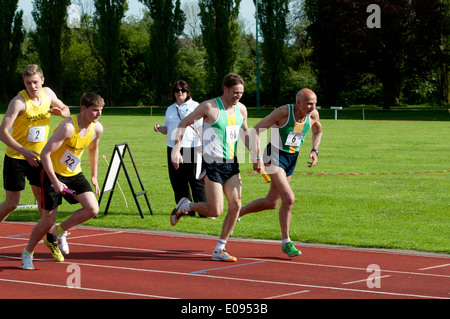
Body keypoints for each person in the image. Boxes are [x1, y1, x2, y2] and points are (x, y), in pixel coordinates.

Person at [170, 73, 249, 262]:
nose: (238, 96)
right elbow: (183, 123)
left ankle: (220, 248)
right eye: (235, 92)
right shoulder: (209, 107)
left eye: (241, 93)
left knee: (236, 205)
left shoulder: (242, 109)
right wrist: (176, 148)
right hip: (211, 163)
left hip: (231, 163)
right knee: (215, 211)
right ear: (226, 89)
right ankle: (186, 206)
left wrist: (257, 156)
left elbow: (246, 133)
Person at [21, 92, 104, 270]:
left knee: (92, 208)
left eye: (101, 110)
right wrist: (55, 181)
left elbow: (93, 150)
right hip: (53, 173)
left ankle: (59, 231)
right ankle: (28, 253)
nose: (98, 114)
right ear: (83, 108)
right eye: (95, 110)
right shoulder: (68, 127)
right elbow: (44, 154)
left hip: (74, 173)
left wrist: (94, 176)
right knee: (47, 221)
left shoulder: (97, 128)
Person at [239, 88, 322, 257]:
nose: (312, 107)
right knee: (289, 197)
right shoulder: (284, 112)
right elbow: (256, 130)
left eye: (314, 103)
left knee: (271, 202)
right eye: (309, 103)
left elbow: (318, 131)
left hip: (291, 158)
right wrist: (256, 157)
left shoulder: (313, 116)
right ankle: (286, 243)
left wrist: (315, 150)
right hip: (273, 155)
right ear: (298, 102)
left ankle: (237, 213)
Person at [0, 64, 70, 260]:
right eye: (28, 83)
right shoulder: (18, 102)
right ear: (24, 83)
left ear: (42, 81)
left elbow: (65, 109)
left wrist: (61, 112)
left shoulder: (48, 94)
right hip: (16, 157)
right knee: (12, 203)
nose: (32, 86)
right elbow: (2, 132)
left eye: (35, 82)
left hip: (40, 158)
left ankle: (49, 237)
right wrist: (22, 150)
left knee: (44, 200)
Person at [154, 81, 206, 217]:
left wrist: (204, 145)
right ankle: (185, 210)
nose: (180, 92)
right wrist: (159, 128)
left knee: (195, 179)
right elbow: (167, 129)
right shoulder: (170, 109)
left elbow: (201, 128)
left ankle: (204, 210)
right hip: (172, 147)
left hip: (191, 147)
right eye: (177, 90)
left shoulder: (196, 106)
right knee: (178, 181)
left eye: (183, 90)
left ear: (187, 92)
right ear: (174, 93)